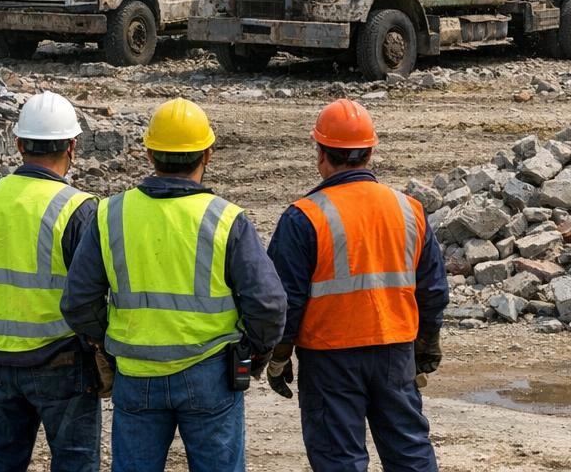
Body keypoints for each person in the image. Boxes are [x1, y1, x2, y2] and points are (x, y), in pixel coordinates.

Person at [62, 98, 285, 472]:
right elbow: (269, 305)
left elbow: (78, 301)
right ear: (208, 154)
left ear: (149, 154)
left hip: (136, 375)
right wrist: (255, 350)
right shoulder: (226, 220)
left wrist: (110, 340)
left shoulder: (110, 214)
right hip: (210, 373)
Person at [266, 99, 449, 472]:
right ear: (369, 153)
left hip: (329, 359)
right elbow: (432, 288)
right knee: (409, 453)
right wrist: (428, 340)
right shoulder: (409, 209)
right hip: (395, 350)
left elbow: (286, 301)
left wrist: (279, 355)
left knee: (339, 460)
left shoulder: (304, 217)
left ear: (321, 155)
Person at [0, 90, 102, 472]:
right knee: (75, 464)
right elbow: (90, 295)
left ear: (18, 144)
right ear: (72, 146)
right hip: (63, 361)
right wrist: (97, 342)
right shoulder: (78, 208)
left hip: (0, 358)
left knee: (1, 463)